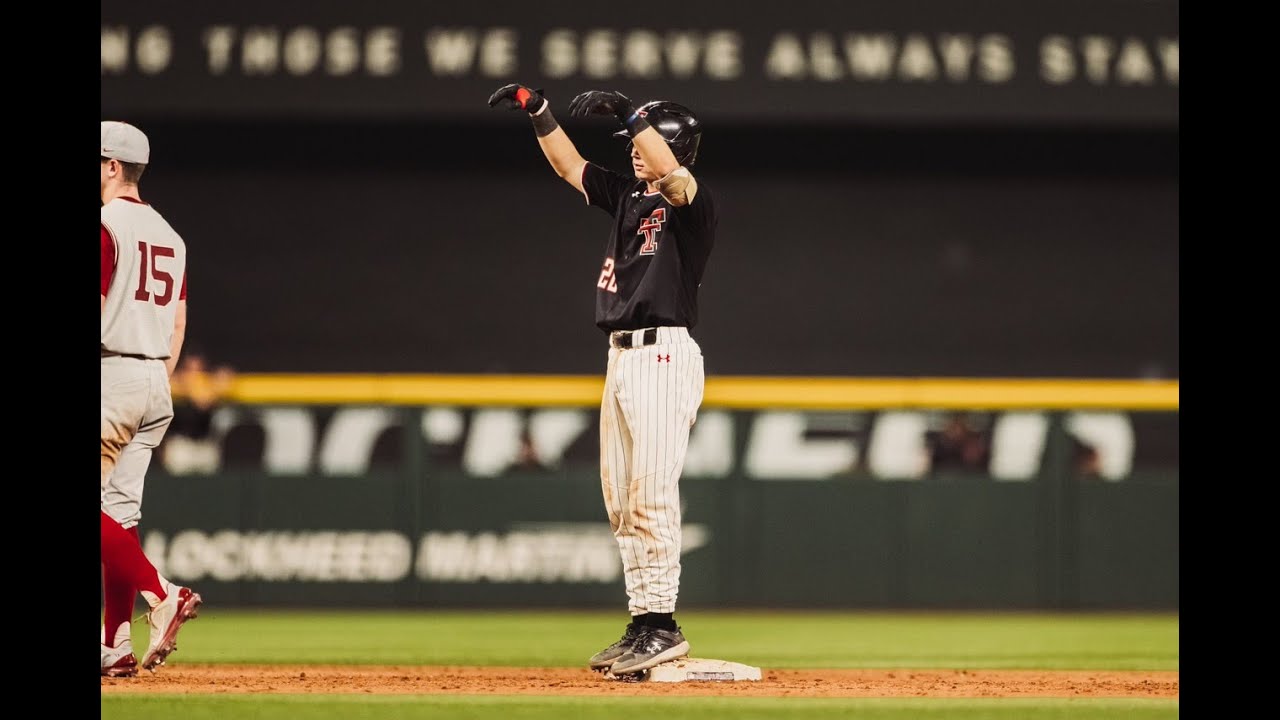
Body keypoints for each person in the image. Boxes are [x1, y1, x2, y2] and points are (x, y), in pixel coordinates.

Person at [488, 83, 718, 676]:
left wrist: (633, 113)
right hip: (619, 356)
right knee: (621, 501)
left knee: (651, 492)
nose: (633, 150)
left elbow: (676, 179)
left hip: (663, 354)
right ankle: (644, 623)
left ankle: (664, 624)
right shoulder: (627, 197)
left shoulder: (690, 200)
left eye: (643, 140)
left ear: (671, 143)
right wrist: (538, 110)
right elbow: (570, 166)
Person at [101, 120, 203, 677]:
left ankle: (161, 593)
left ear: (114, 166)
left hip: (111, 376)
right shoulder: (171, 235)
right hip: (153, 383)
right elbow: (178, 324)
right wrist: (153, 380)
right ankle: (115, 647)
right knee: (117, 514)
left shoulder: (105, 224)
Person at [163, 350, 236, 475]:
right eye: (189, 369)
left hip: (205, 446)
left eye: (199, 369)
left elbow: (225, 378)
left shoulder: (209, 387)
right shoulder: (173, 383)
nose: (194, 374)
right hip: (181, 446)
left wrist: (212, 391)